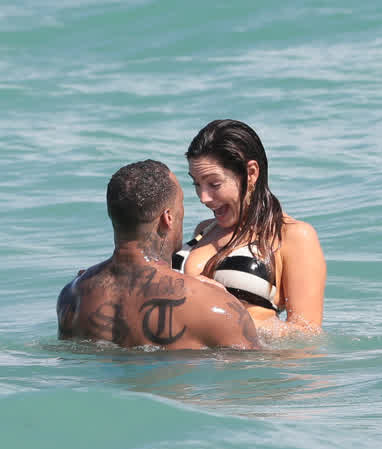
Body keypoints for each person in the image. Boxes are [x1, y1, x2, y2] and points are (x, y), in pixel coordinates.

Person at [57, 160, 259, 350]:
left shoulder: (72, 296)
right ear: (167, 218)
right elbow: (255, 367)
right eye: (181, 206)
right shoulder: (215, 307)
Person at [173, 120, 326, 335]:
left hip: (245, 357)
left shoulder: (292, 236)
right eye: (197, 184)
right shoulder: (204, 230)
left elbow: (306, 335)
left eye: (214, 184)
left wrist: (221, 313)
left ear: (251, 173)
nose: (203, 197)